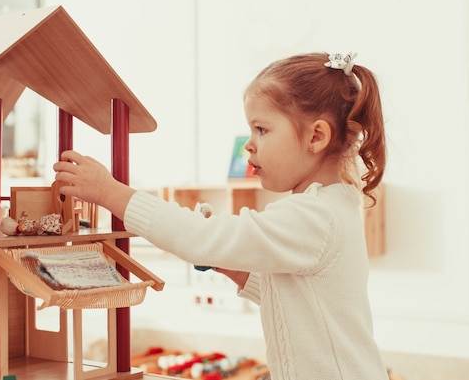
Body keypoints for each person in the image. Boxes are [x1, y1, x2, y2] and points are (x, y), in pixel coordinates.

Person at [53, 51, 389, 380]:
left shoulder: (315, 216)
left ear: (316, 136)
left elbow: (201, 237)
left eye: (262, 129)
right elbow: (297, 296)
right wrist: (230, 265)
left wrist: (110, 193)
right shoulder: (327, 209)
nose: (249, 145)